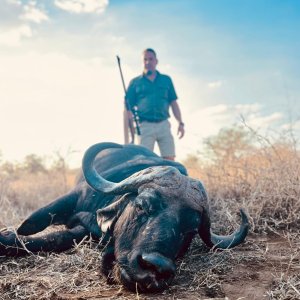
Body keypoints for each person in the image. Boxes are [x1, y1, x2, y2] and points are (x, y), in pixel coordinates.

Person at [125, 48, 185, 160]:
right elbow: (127, 106)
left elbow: (174, 103)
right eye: (145, 59)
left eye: (151, 59)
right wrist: (130, 131)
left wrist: (180, 123)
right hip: (144, 126)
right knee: (144, 160)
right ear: (142, 62)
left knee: (170, 160)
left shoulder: (166, 80)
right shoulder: (135, 82)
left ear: (156, 61)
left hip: (164, 124)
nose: (148, 62)